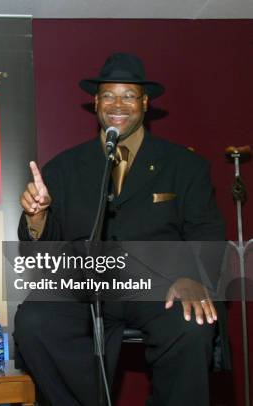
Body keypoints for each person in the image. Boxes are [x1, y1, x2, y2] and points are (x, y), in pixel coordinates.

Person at [13, 53, 225, 406]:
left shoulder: (185, 165)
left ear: (145, 103)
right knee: (34, 320)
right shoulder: (64, 167)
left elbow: (207, 231)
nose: (118, 104)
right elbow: (41, 249)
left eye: (129, 95)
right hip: (85, 284)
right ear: (96, 103)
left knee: (193, 325)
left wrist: (194, 277)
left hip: (161, 286)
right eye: (109, 95)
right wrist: (37, 218)